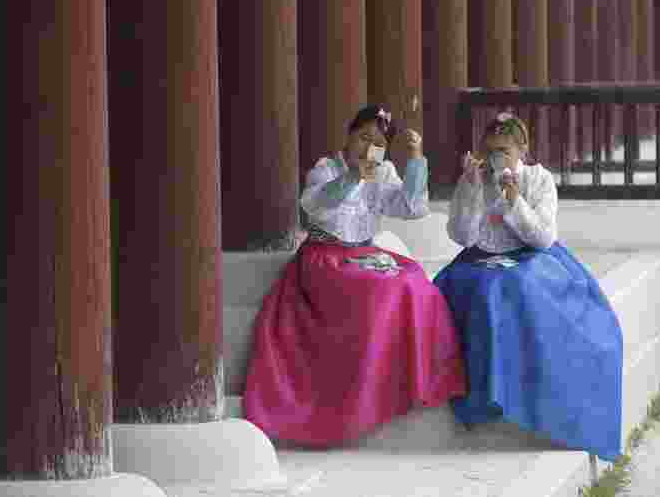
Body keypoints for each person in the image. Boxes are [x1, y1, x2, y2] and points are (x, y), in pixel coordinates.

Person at [243, 104, 467, 446]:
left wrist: (416, 160)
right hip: (325, 258)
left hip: (364, 254)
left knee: (412, 280)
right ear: (349, 136)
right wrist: (352, 178)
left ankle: (415, 375)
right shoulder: (326, 168)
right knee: (378, 289)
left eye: (377, 143)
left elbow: (412, 208)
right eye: (363, 138)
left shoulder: (385, 172)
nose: (367, 148)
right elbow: (316, 205)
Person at [434, 112, 624, 462]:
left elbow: (543, 237)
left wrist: (513, 200)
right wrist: (472, 191)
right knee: (458, 285)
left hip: (531, 258)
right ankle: (474, 390)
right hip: (481, 257)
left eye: (504, 150)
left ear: (522, 150)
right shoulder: (475, 179)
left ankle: (518, 390)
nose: (496, 158)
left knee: (513, 287)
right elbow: (462, 236)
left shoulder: (539, 180)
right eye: (490, 150)